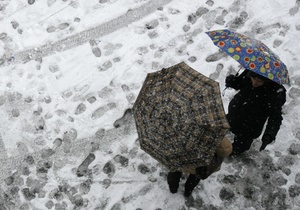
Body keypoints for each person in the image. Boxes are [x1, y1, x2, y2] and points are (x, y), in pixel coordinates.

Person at [225, 69, 286, 155]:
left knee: (237, 148)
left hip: (249, 128)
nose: (254, 83)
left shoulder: (274, 93)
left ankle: (234, 151)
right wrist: (232, 81)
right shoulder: (251, 71)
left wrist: (269, 135)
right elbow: (239, 83)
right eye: (253, 78)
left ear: (266, 80)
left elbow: (275, 117)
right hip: (233, 115)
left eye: (259, 81)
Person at [167, 137, 232, 197]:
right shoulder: (215, 132)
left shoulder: (178, 127)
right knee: (194, 178)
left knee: (174, 173)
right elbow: (226, 149)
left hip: (179, 158)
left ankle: (173, 189)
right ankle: (187, 192)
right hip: (199, 164)